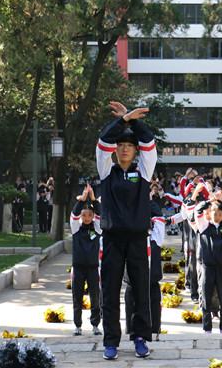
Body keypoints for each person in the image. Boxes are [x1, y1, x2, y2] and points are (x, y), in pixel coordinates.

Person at [96, 101, 156, 360]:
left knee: (141, 290)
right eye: (120, 145)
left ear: (134, 150)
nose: (123, 149)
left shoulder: (143, 171)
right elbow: (102, 143)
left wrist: (133, 121)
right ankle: (111, 341)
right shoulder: (106, 170)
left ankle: (140, 338)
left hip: (136, 240)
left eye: (129, 146)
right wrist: (122, 122)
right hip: (111, 239)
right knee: (109, 292)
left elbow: (150, 145)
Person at [194, 186, 222, 334]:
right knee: (206, 297)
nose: (217, 216)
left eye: (220, 214)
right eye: (214, 213)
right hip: (207, 267)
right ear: (210, 214)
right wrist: (210, 200)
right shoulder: (204, 226)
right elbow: (198, 210)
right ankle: (207, 327)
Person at [125, 199, 166, 341]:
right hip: (133, 286)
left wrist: (147, 200)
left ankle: (154, 335)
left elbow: (159, 219)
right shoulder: (128, 238)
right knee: (132, 314)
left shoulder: (155, 238)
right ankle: (132, 337)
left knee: (154, 313)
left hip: (152, 284)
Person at [69, 184, 102, 337]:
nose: (87, 218)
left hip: (93, 268)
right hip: (78, 268)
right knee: (77, 297)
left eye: (89, 215)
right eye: (84, 215)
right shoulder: (76, 228)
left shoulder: (97, 229)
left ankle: (95, 324)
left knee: (95, 297)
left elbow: (101, 215)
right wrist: (82, 200)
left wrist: (94, 200)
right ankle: (77, 325)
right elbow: (74, 214)